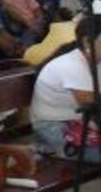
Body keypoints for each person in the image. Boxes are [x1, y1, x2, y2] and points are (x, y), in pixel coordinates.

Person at [31, 17, 100, 161]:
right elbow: (94, 108)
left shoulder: (96, 61)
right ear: (87, 41)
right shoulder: (72, 66)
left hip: (81, 123)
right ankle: (45, 149)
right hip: (55, 128)